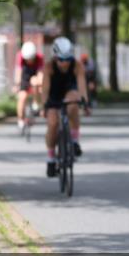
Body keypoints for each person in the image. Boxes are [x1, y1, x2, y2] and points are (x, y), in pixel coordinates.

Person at [40, 37, 90, 177]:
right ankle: (50, 159)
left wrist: (85, 102)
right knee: (53, 123)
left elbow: (81, 86)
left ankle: (74, 141)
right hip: (53, 94)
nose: (65, 63)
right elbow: (45, 90)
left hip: (69, 90)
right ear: (55, 57)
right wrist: (44, 107)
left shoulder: (77, 65)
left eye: (68, 59)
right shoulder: (49, 67)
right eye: (61, 59)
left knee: (73, 104)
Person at [14, 41, 44, 131]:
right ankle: (20, 119)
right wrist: (17, 84)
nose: (29, 61)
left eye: (31, 59)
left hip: (34, 74)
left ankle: (36, 103)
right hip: (25, 75)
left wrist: (40, 83)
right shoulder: (20, 56)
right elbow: (18, 72)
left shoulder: (40, 58)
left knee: (35, 82)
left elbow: (40, 73)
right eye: (27, 59)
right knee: (22, 97)